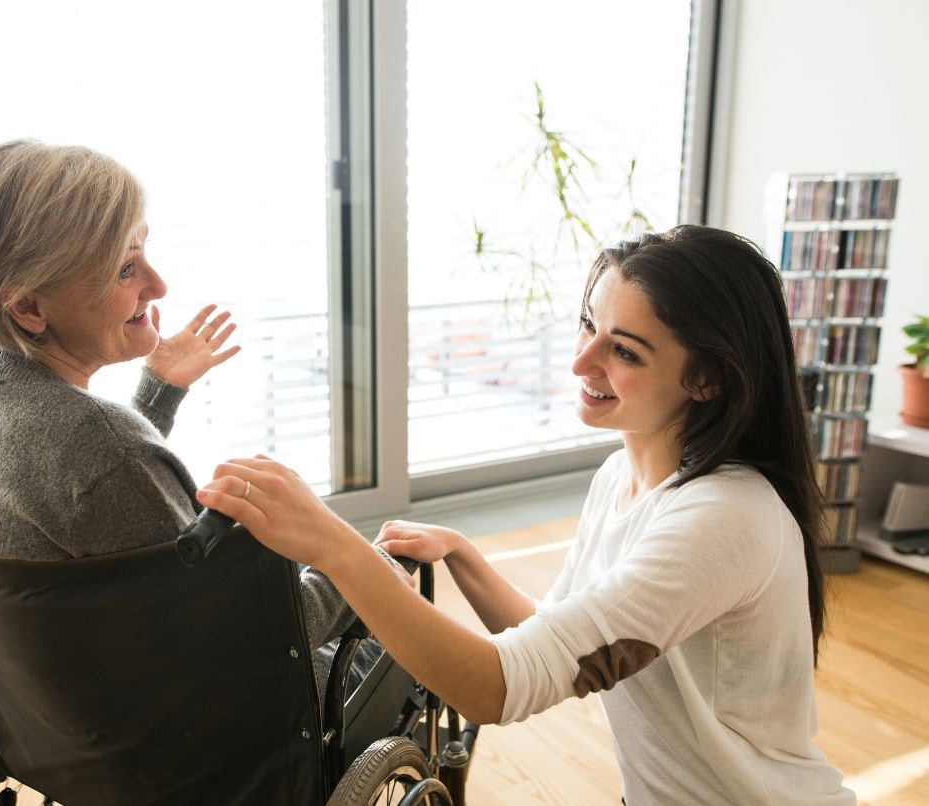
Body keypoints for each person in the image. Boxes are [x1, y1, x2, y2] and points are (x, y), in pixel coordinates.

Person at [198, 225, 856, 804]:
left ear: (706, 379)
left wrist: (332, 546)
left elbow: (497, 688)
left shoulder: (725, 517)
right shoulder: (621, 477)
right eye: (587, 325)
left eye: (624, 351)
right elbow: (563, 644)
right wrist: (463, 553)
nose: (581, 361)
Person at [0, 139, 393, 701]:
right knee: (399, 628)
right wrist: (362, 560)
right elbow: (253, 635)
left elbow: (87, 501)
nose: (158, 284)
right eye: (125, 268)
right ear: (28, 307)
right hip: (202, 715)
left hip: (61, 701)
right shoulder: (103, 452)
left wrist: (159, 390)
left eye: (144, 249)